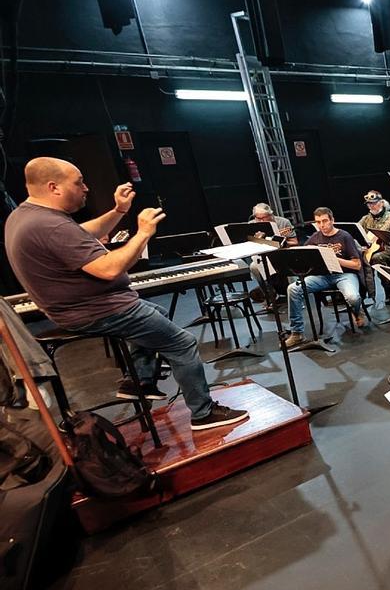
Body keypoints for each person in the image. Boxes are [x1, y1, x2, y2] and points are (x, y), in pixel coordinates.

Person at [6, 157, 248, 431]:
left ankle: (139, 381)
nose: (86, 188)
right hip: (98, 311)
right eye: (78, 182)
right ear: (54, 187)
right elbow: (109, 269)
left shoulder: (28, 215)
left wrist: (119, 210)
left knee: (157, 313)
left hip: (80, 309)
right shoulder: (50, 226)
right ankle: (203, 413)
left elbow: (82, 233)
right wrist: (143, 233)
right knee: (182, 344)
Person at [280, 207, 369, 345]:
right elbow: (303, 256)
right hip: (322, 276)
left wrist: (333, 258)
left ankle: (357, 311)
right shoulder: (315, 237)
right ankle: (297, 333)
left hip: (344, 274)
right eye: (318, 222)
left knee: (353, 297)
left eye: (325, 221)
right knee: (293, 289)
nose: (322, 225)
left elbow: (356, 265)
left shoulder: (344, 236)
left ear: (332, 220)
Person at [358, 190, 390, 305]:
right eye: (369, 204)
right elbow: (357, 233)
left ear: (381, 202)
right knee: (357, 257)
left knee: (377, 258)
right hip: (373, 249)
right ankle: (363, 293)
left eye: (374, 203)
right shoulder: (365, 219)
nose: (371, 206)